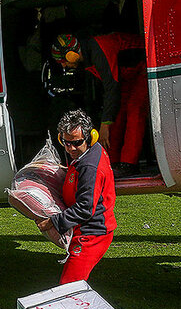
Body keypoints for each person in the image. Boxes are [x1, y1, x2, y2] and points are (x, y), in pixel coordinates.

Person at [51, 32, 148, 178]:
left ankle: (129, 164)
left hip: (144, 66)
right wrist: (107, 121)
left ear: (71, 54)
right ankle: (113, 162)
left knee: (134, 111)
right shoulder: (88, 58)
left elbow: (112, 87)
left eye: (63, 61)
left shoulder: (98, 51)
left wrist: (104, 125)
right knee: (117, 114)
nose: (64, 65)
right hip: (127, 76)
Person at [36, 108, 116, 284]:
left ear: (89, 138)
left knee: (68, 287)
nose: (70, 148)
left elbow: (85, 208)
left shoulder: (90, 167)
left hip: (92, 234)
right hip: (87, 230)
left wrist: (52, 222)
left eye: (76, 143)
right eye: (65, 142)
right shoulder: (87, 153)